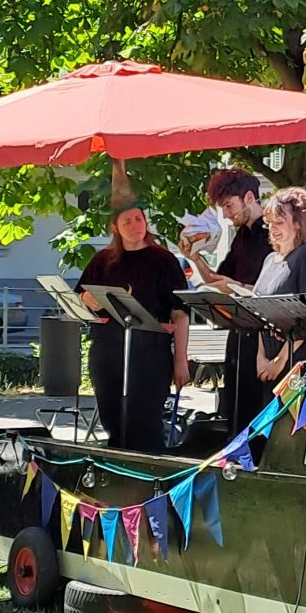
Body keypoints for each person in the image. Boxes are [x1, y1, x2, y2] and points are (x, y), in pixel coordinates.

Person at [76, 187, 190, 453]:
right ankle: (117, 481)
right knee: (113, 421)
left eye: (139, 218)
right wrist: (86, 300)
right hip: (107, 353)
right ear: (115, 227)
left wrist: (181, 360)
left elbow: (180, 313)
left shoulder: (164, 260)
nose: (135, 225)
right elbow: (80, 296)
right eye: (127, 221)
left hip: (150, 355)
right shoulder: (102, 261)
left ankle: (149, 482)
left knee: (146, 424)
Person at [178, 168, 273, 434]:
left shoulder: (273, 232)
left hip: (265, 335)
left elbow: (273, 290)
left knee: (257, 409)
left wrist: (234, 286)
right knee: (234, 404)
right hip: (238, 331)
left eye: (229, 205)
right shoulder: (241, 237)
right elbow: (217, 279)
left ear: (250, 197)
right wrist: (194, 257)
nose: (227, 214)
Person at [254, 186, 306, 386]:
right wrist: (261, 357)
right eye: (270, 223)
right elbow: (259, 314)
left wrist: (281, 360)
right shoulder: (269, 260)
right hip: (268, 361)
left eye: (280, 222)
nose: (273, 229)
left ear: (299, 223)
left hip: (298, 360)